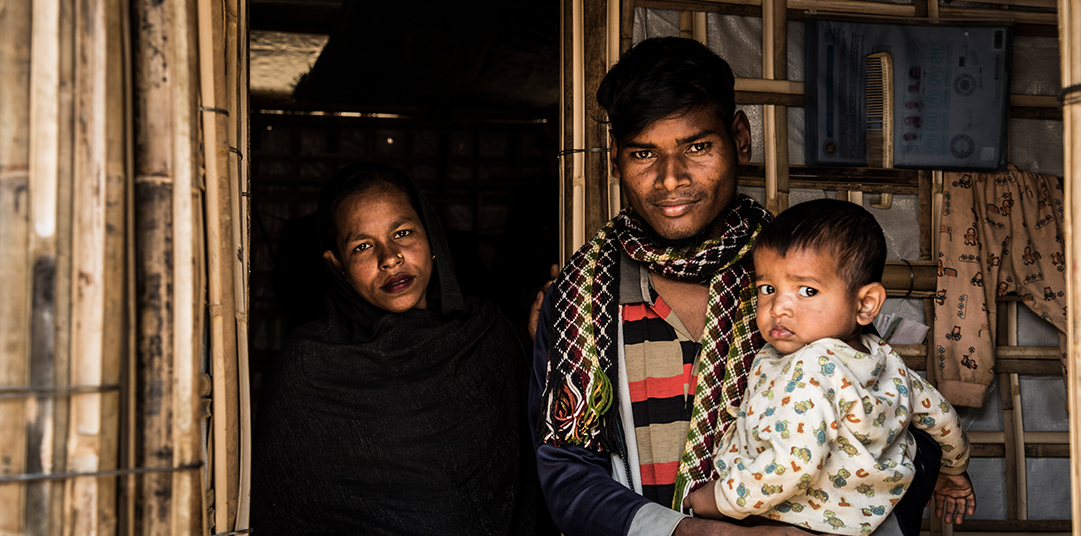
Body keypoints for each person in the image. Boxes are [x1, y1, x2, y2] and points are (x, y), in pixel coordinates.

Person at [528, 37, 941, 536]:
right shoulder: (580, 299)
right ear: (617, 161)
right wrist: (690, 532)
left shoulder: (813, 281)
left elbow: (904, 429)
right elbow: (564, 471)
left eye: (697, 147)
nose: (671, 178)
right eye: (643, 153)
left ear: (740, 139)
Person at [252, 162, 552, 535]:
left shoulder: (485, 335)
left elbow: (546, 449)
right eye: (363, 246)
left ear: (431, 236)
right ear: (338, 266)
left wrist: (548, 353)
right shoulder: (310, 367)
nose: (389, 257)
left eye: (403, 232)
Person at [682, 199, 976, 535]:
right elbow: (940, 414)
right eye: (768, 289)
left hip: (802, 518)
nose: (779, 307)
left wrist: (718, 499)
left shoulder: (809, 370)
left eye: (807, 290)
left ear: (866, 304)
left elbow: (792, 466)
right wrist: (954, 471)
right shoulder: (882, 357)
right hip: (870, 516)